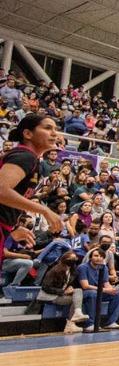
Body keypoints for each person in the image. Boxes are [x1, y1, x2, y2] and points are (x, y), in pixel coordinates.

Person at [1, 114, 65, 272]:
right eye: (48, 128)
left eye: (55, 129)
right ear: (28, 134)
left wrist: (13, 229)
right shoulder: (25, 156)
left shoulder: (31, 159)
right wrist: (44, 209)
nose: (54, 133)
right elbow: (1, 190)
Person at [38, 252, 90, 334]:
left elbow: (67, 284)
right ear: (64, 259)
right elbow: (45, 287)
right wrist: (63, 291)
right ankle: (70, 323)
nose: (73, 260)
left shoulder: (72, 271)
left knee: (78, 291)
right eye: (71, 259)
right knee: (76, 299)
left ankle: (76, 314)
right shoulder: (54, 270)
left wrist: (69, 288)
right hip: (49, 296)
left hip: (60, 294)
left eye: (74, 258)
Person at [76, 247, 119, 331]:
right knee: (93, 293)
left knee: (117, 293)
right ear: (90, 257)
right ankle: (90, 324)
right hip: (83, 292)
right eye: (96, 256)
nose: (99, 258)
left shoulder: (103, 267)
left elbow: (106, 283)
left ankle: (111, 322)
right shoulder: (83, 267)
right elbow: (85, 286)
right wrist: (104, 290)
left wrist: (111, 289)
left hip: (98, 291)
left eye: (101, 256)